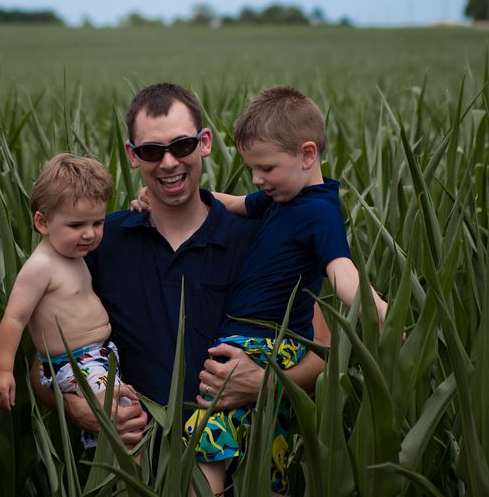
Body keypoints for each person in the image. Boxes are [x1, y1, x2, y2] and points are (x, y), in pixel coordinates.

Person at [30, 82, 329, 452]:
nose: (169, 162)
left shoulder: (261, 236)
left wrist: (266, 382)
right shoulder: (99, 243)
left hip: (239, 470)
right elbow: (44, 364)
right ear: (133, 155)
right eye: (152, 151)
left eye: (182, 145)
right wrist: (80, 408)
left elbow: (323, 352)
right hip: (131, 470)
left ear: (204, 143)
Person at [187, 85, 388, 494]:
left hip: (263, 343)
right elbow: (238, 203)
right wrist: (187, 199)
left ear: (307, 155)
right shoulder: (281, 197)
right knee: (268, 448)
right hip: (267, 343)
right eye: (253, 170)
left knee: (204, 438)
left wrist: (384, 316)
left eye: (267, 168)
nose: (259, 180)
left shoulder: (318, 211)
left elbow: (342, 272)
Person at [0, 153, 138, 446]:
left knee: (110, 429)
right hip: (76, 364)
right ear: (42, 222)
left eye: (98, 222)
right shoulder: (41, 266)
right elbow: (15, 317)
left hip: (98, 357)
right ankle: (135, 481)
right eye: (76, 225)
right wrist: (3, 371)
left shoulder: (72, 254)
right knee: (125, 425)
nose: (89, 234)